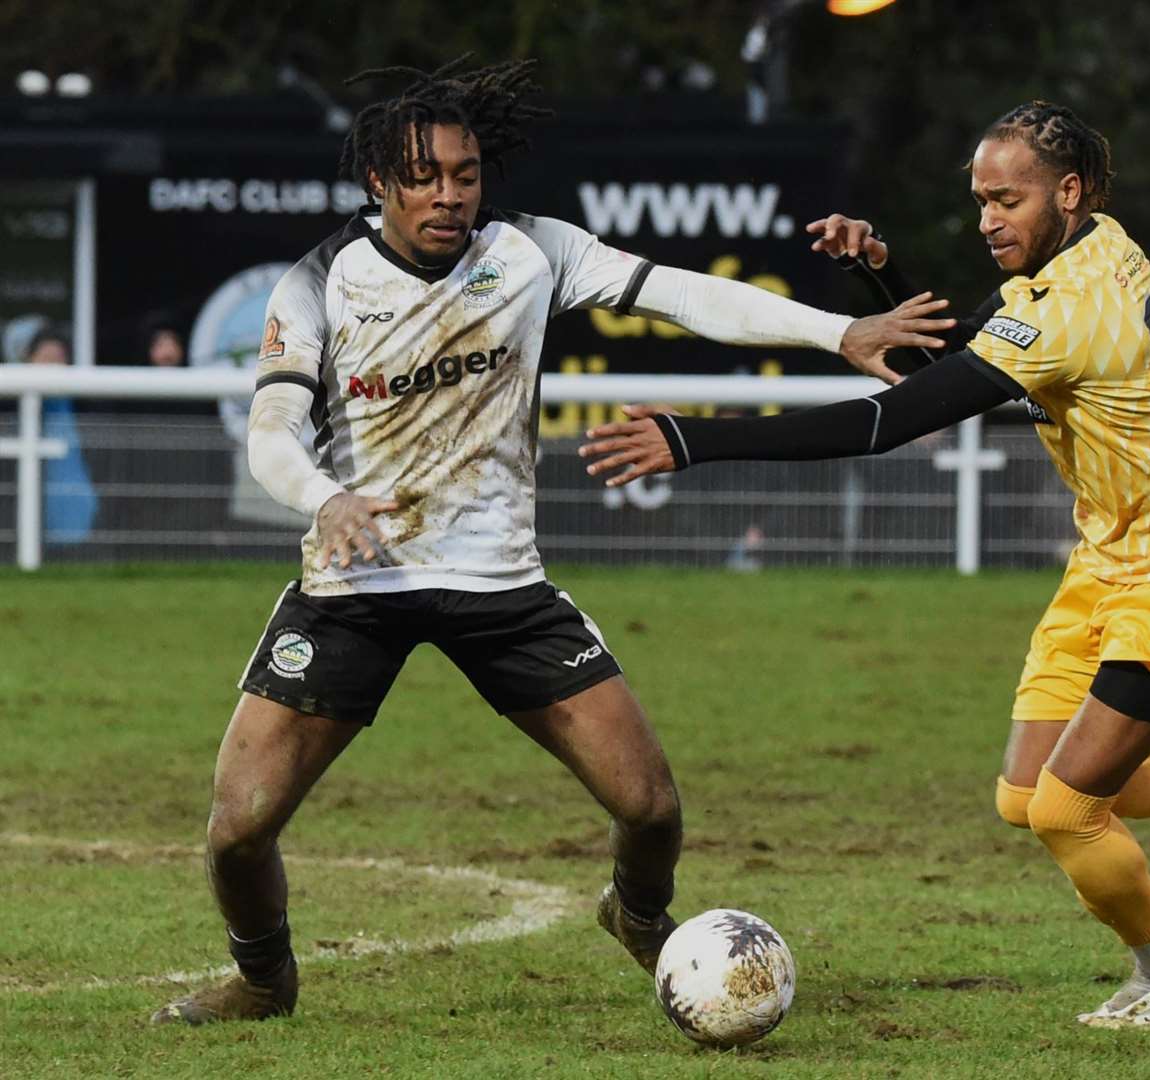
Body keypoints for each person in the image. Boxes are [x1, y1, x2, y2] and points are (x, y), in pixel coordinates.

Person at [150, 55, 952, 1027]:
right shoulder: (320, 283)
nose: (450, 195)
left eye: (466, 174)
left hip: (501, 591)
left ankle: (637, 913)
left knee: (650, 808)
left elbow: (686, 296)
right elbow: (271, 429)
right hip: (354, 585)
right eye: (426, 177)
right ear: (378, 183)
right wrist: (325, 500)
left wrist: (841, 333)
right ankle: (264, 980)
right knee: (238, 831)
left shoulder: (532, 251)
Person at [581, 100, 1150, 1029]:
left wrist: (694, 439)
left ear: (1066, 193)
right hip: (1113, 557)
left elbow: (890, 421)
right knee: (1025, 794)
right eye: (980, 200)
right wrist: (883, 278)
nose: (989, 220)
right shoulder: (1089, 246)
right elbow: (957, 364)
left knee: (1068, 809)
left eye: (1007, 200)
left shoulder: (1074, 309)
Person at [25, 326, 98, 543]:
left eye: (56, 358)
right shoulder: (11, 405)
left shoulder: (85, 404)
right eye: (44, 357)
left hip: (77, 499)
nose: (50, 365)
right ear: (30, 360)